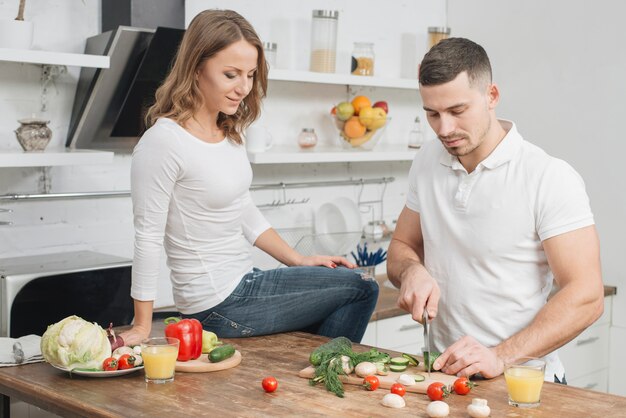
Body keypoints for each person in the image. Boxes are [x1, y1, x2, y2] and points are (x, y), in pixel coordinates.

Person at [120, 10, 378, 346]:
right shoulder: (165, 142)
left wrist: (299, 261)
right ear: (196, 68)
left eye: (251, 75)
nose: (243, 87)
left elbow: (243, 211)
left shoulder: (227, 132)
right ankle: (325, 373)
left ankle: (311, 376)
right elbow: (147, 237)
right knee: (362, 287)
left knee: (342, 283)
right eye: (231, 74)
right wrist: (141, 325)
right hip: (214, 304)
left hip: (244, 282)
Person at [387, 37, 604, 382]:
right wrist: (411, 271)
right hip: (445, 377)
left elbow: (586, 295)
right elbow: (402, 246)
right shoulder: (427, 160)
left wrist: (499, 357)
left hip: (526, 383)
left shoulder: (547, 176)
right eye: (432, 113)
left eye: (457, 111)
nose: (444, 129)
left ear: (491, 96)